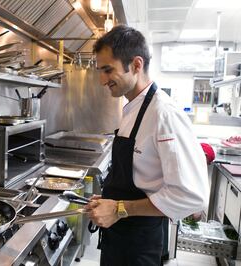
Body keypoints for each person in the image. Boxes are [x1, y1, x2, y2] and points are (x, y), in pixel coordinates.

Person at [85, 25, 209, 266]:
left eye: (107, 70)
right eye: (100, 71)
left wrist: (120, 207)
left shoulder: (164, 114)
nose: (102, 80)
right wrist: (111, 198)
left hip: (139, 245)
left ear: (136, 64)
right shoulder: (132, 107)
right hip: (118, 237)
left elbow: (191, 196)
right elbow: (144, 175)